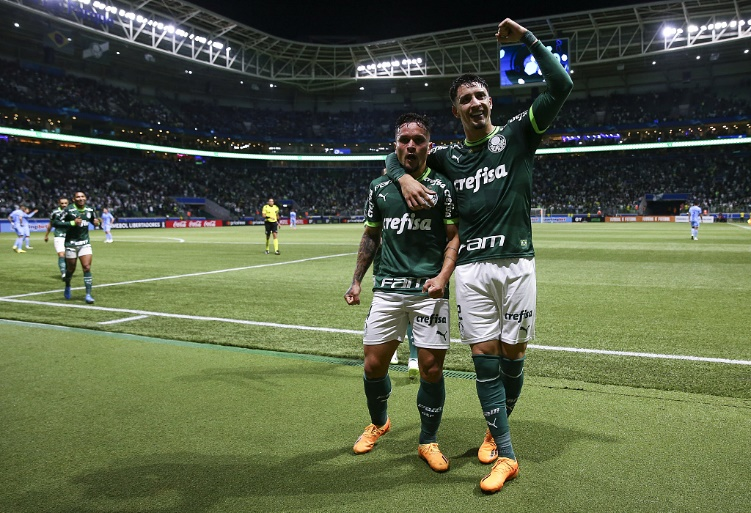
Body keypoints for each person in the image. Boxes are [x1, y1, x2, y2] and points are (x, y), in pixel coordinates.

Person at [384, 19, 573, 493]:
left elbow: (561, 84)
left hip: (517, 263)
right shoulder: (447, 158)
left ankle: (494, 431)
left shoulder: (518, 134)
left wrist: (528, 39)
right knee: (484, 360)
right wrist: (402, 177)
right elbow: (399, 156)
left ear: (491, 101)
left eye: (481, 95)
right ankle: (506, 454)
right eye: (466, 99)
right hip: (470, 270)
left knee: (513, 357)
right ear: (456, 110)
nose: (475, 103)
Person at [344, 112, 460, 473]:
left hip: (430, 291)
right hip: (388, 289)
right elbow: (370, 235)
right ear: (395, 146)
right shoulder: (380, 187)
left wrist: (443, 277)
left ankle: (428, 439)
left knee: (431, 369)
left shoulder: (442, 187)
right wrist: (356, 280)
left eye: (418, 140)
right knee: (373, 365)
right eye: (404, 140)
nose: (411, 145)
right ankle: (379, 422)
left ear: (429, 145)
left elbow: (453, 237)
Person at [56, 191, 100, 304]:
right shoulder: (68, 210)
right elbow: (56, 223)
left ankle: (88, 294)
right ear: (74, 199)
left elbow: (95, 221)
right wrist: (72, 223)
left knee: (86, 267)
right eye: (78, 197)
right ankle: (67, 285)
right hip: (71, 244)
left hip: (85, 243)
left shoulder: (90, 209)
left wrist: (97, 223)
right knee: (71, 269)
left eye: (82, 196)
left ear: (85, 198)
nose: (80, 198)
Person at [44, 197, 70, 279]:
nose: (64, 205)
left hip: (70, 236)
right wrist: (46, 235)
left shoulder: (72, 211)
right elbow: (50, 224)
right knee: (61, 254)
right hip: (59, 235)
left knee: (68, 256)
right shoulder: (55, 212)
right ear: (59, 203)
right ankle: (63, 273)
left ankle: (67, 271)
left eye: (65, 203)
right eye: (62, 203)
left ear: (68, 203)